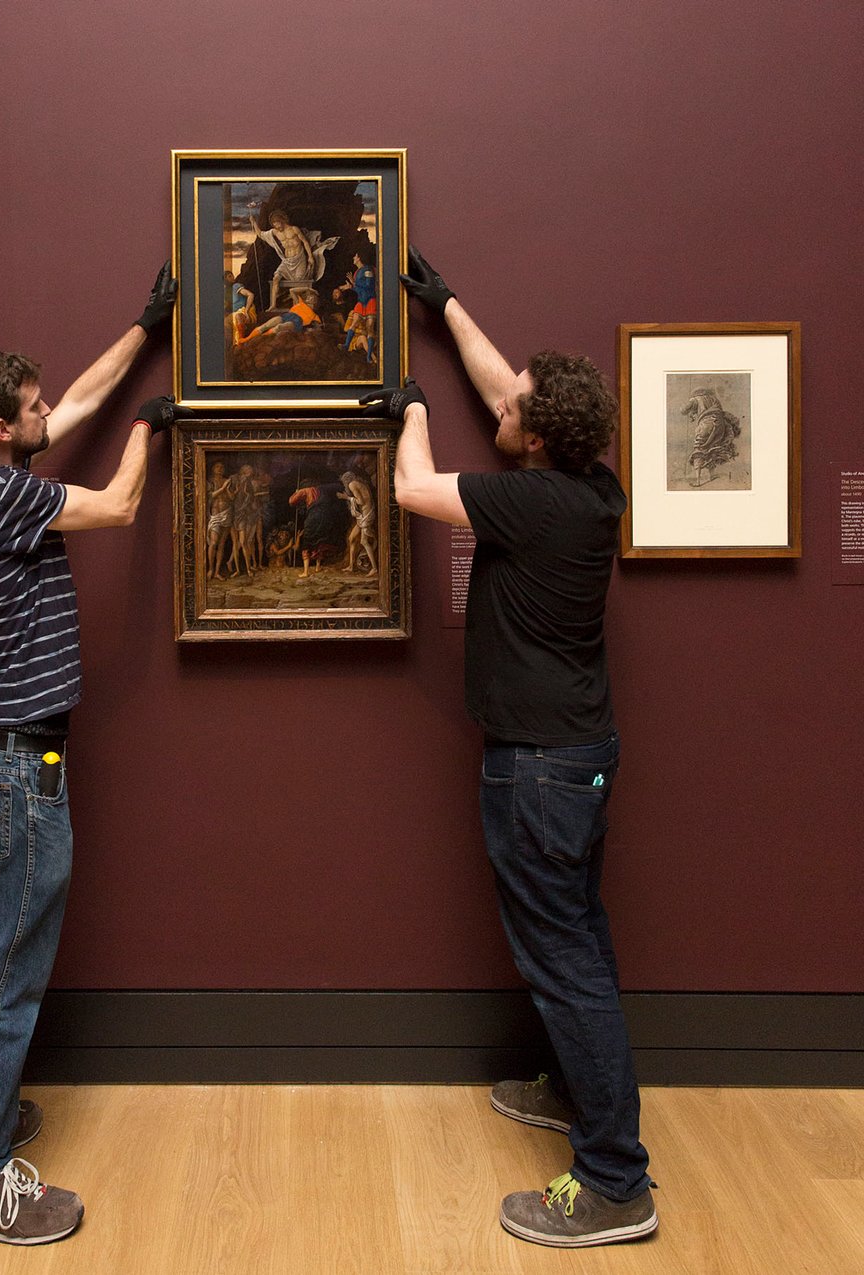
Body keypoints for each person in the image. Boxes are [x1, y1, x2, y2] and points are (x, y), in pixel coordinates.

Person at [362, 246, 655, 1250]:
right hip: (576, 756)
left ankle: (614, 1183)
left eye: (521, 404)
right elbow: (504, 386)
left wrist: (408, 408)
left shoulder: (527, 504)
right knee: (578, 938)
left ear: (535, 439)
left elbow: (409, 491)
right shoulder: (587, 488)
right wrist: (446, 306)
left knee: (562, 956)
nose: (507, 399)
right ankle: (577, 1092)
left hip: (538, 768)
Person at [0, 263, 181, 1246]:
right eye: (28, 409)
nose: (44, 413)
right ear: (0, 432)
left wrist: (142, 328)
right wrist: (156, 429)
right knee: (5, 971)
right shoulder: (3, 499)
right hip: (21, 771)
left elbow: (73, 405)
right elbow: (114, 507)